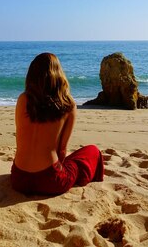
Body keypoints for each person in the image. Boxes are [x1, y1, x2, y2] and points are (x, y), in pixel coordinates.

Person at [11, 53, 104, 196]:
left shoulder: (23, 99)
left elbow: (20, 139)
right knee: (92, 151)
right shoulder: (68, 104)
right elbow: (62, 150)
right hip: (50, 180)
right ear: (59, 74)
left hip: (18, 179)